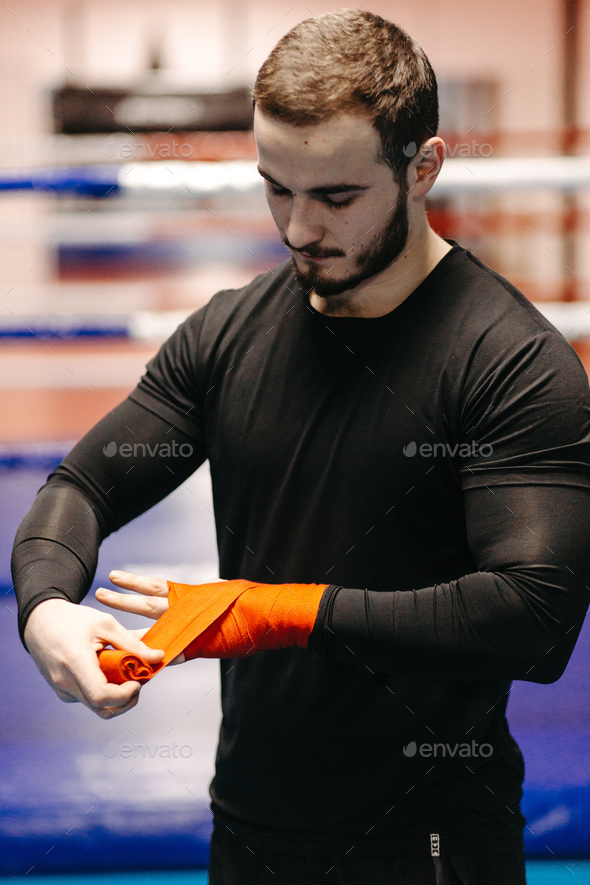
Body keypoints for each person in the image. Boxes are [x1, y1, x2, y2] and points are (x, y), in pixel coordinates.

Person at [12, 9, 590, 885]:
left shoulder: (506, 358)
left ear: (422, 167)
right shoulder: (228, 333)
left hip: (430, 844)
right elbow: (82, 486)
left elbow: (534, 618)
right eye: (275, 187)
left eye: (336, 196)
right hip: (250, 833)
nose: (296, 227)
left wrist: (276, 610)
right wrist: (46, 607)